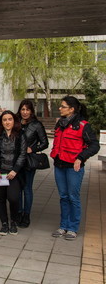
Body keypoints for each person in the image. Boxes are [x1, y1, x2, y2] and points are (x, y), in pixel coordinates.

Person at [50, 96, 99, 240]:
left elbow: (94, 145)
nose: (59, 108)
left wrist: (81, 157)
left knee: (73, 197)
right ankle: (63, 226)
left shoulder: (83, 125)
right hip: (59, 165)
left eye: (62, 106)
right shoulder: (60, 124)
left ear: (71, 109)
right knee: (63, 197)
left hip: (74, 168)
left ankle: (73, 228)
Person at [0, 110, 27, 236]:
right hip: (0, 172)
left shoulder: (20, 135)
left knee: (13, 198)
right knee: (1, 198)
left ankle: (13, 221)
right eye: (4, 120)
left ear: (14, 121)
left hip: (14, 173)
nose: (7, 122)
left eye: (10, 119)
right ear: (1, 122)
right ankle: (4, 223)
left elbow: (22, 154)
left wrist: (15, 170)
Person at [16, 99, 49, 228]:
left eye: (27, 110)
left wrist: (33, 149)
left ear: (31, 111)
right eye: (22, 109)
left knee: (27, 188)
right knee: (17, 188)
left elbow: (45, 143)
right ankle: (18, 212)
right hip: (15, 160)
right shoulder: (16, 122)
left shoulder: (36, 125)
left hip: (29, 161)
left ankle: (26, 215)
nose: (25, 112)